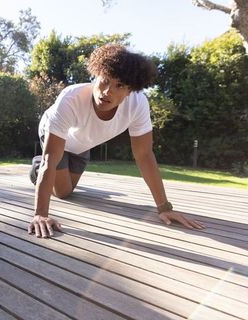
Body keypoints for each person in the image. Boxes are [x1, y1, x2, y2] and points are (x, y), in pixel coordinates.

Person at [28, 44, 204, 238]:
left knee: (69, 191)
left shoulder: (137, 105)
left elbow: (144, 155)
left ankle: (56, 173)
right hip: (56, 138)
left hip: (83, 145)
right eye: (104, 81)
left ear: (130, 91)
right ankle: (36, 168)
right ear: (96, 77)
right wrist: (40, 215)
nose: (107, 91)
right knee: (61, 192)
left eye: (119, 86)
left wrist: (164, 208)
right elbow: (50, 159)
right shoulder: (71, 98)